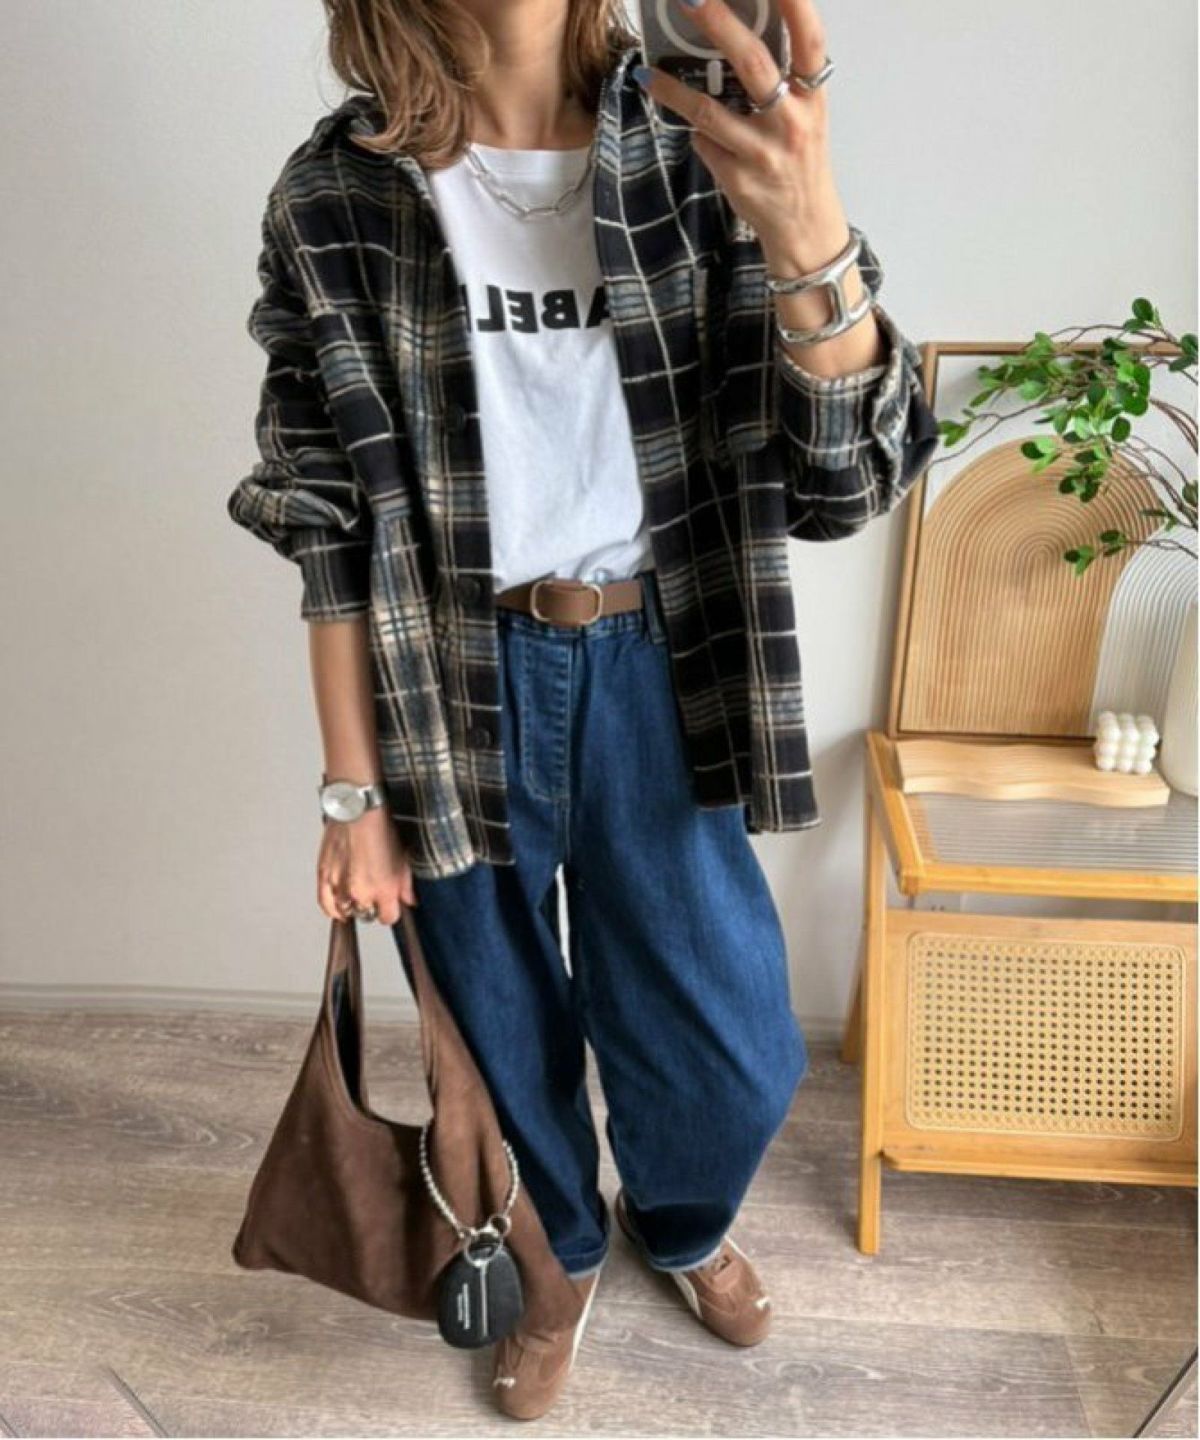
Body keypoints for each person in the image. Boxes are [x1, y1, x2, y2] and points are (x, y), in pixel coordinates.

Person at [227, 0, 939, 1420]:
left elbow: (848, 487)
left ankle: (678, 1219)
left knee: (734, 1052)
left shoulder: (698, 144)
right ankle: (554, 1259)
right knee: (500, 1034)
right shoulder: (336, 192)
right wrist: (350, 794)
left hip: (659, 665)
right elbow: (326, 523)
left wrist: (808, 228)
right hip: (449, 676)